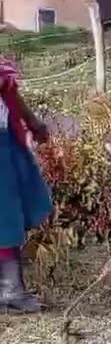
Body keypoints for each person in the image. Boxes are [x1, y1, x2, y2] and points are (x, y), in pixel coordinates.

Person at [0, 58, 52, 313]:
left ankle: (10, 288)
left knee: (10, 213)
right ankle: (10, 290)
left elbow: (9, 93)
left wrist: (33, 123)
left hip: (5, 142)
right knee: (5, 216)